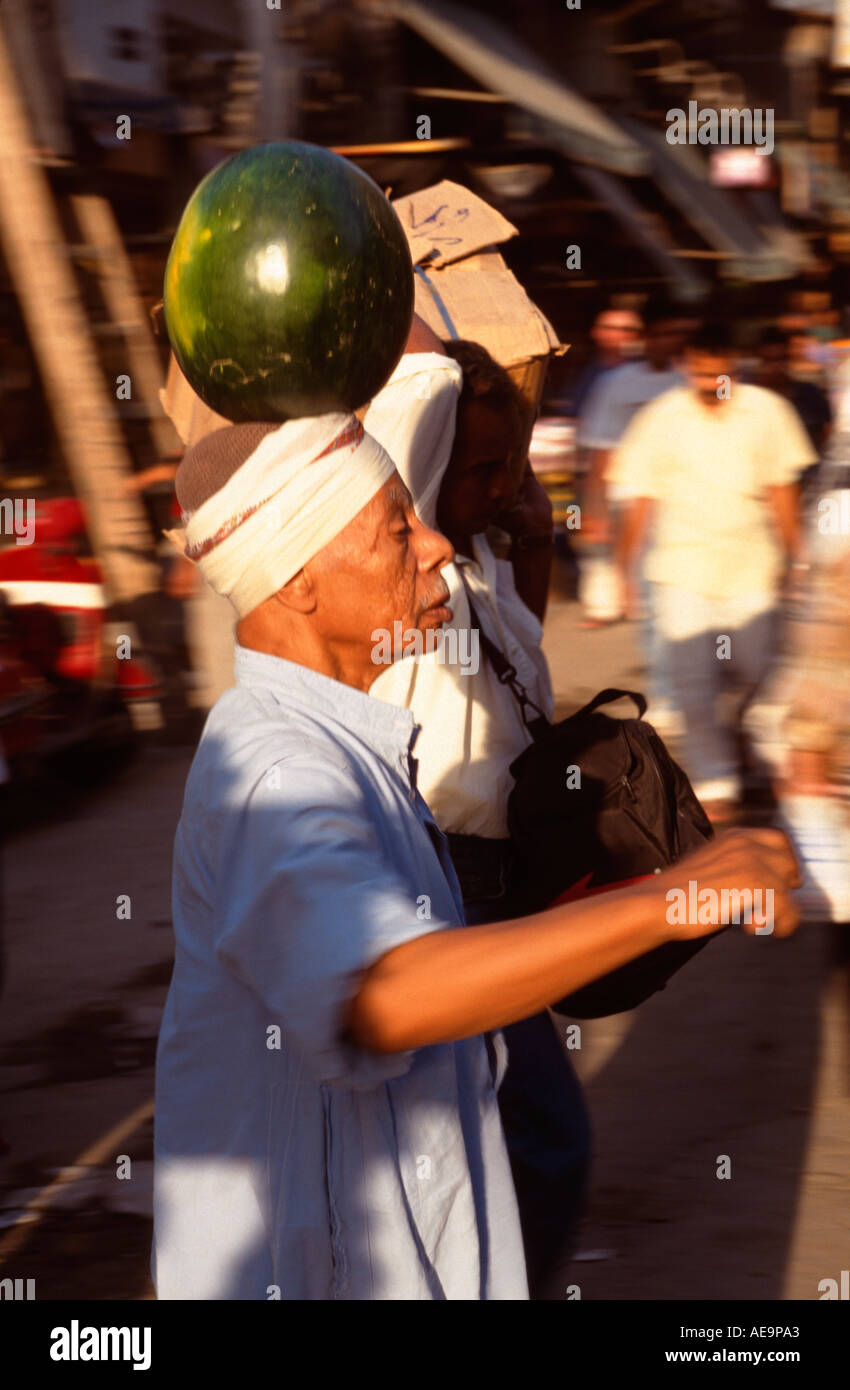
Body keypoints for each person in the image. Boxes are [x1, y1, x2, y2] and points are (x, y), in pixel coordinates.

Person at [152, 402, 801, 1301]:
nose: (433, 548)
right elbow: (386, 995)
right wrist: (680, 895)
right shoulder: (278, 774)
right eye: (396, 528)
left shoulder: (348, 744)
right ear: (299, 579)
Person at [367, 330, 587, 1298]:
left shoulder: (479, 571)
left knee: (491, 1148)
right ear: (425, 464)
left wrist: (530, 525)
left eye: (515, 462)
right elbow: (409, 404)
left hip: (497, 891)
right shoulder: (402, 582)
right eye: (484, 466)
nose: (504, 484)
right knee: (547, 1142)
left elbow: (523, 685)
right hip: (439, 890)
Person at [612, 321, 816, 825]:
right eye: (700, 375)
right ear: (687, 369)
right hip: (681, 570)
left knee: (759, 674)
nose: (710, 385)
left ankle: (746, 736)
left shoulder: (769, 413)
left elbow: (782, 491)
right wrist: (622, 567)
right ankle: (717, 783)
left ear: (735, 369)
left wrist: (800, 561)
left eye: (718, 375)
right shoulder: (662, 418)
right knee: (693, 683)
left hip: (753, 569)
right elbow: (640, 495)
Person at [754, 326, 832, 504]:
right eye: (768, 360)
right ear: (760, 361)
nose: (775, 366)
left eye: (780, 358)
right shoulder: (746, 399)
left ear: (789, 358)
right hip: (760, 494)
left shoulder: (810, 394)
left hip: (807, 489)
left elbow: (825, 435)